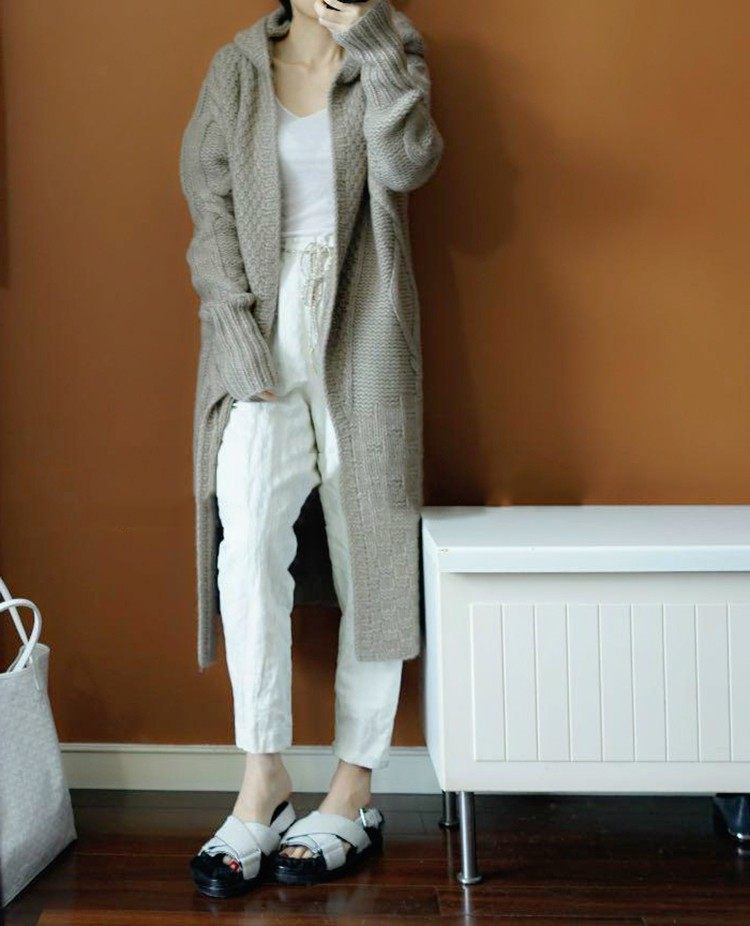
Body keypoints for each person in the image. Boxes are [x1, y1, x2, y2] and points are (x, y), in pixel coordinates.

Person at [178, 0, 443, 897]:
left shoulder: (390, 54)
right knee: (247, 535)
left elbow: (409, 163)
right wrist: (236, 335)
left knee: (373, 542)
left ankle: (353, 789)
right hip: (262, 325)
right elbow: (209, 209)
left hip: (363, 325)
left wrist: (372, 41)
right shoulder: (236, 69)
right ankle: (264, 778)